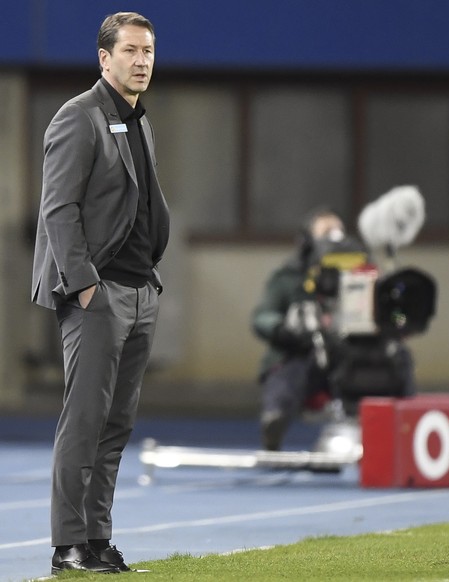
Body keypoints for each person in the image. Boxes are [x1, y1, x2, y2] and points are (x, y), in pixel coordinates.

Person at [31, 12, 170, 574]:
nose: (142, 61)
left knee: (116, 425)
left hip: (140, 291)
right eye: (131, 51)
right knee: (84, 421)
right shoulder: (78, 117)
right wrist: (85, 286)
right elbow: (58, 209)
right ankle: (67, 544)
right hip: (98, 293)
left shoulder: (139, 121)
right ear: (104, 58)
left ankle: (96, 538)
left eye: (149, 52)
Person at [251, 208, 415, 451]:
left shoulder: (363, 271)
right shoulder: (288, 276)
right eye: (326, 231)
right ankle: (274, 422)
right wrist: (283, 328)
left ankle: (408, 425)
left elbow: (393, 310)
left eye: (338, 230)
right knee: (289, 370)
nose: (334, 237)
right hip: (307, 350)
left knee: (397, 358)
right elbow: (262, 316)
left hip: (352, 351)